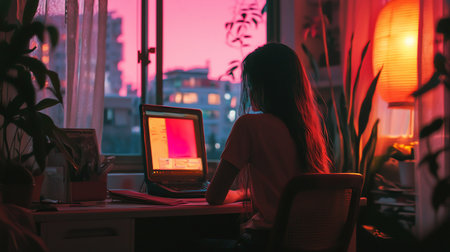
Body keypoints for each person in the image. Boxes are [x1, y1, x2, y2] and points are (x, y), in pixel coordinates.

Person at [206, 43, 330, 251]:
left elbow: (214, 196)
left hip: (265, 242)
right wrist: (248, 192)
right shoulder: (309, 131)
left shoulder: (249, 125)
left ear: (262, 86)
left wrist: (238, 194)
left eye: (251, 83)